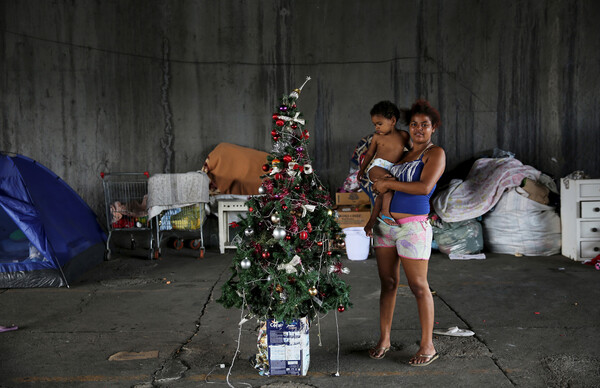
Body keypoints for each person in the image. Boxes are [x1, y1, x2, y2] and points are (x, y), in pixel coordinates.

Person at [364, 99, 446, 366]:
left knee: (418, 287)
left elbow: (423, 187)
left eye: (425, 125)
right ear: (407, 126)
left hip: (413, 227)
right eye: (414, 124)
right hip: (385, 227)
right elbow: (382, 184)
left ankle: (428, 345)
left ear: (434, 128)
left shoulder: (435, 154)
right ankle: (384, 339)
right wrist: (373, 215)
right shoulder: (405, 153)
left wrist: (388, 181)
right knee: (388, 284)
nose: (418, 129)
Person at [357, 101, 411, 225]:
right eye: (375, 124)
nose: (376, 128)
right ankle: (385, 213)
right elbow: (370, 154)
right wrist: (361, 170)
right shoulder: (377, 137)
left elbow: (412, 152)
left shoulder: (404, 135)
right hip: (378, 167)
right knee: (388, 186)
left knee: (386, 191)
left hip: (393, 169)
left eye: (379, 124)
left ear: (392, 121)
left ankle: (373, 220)